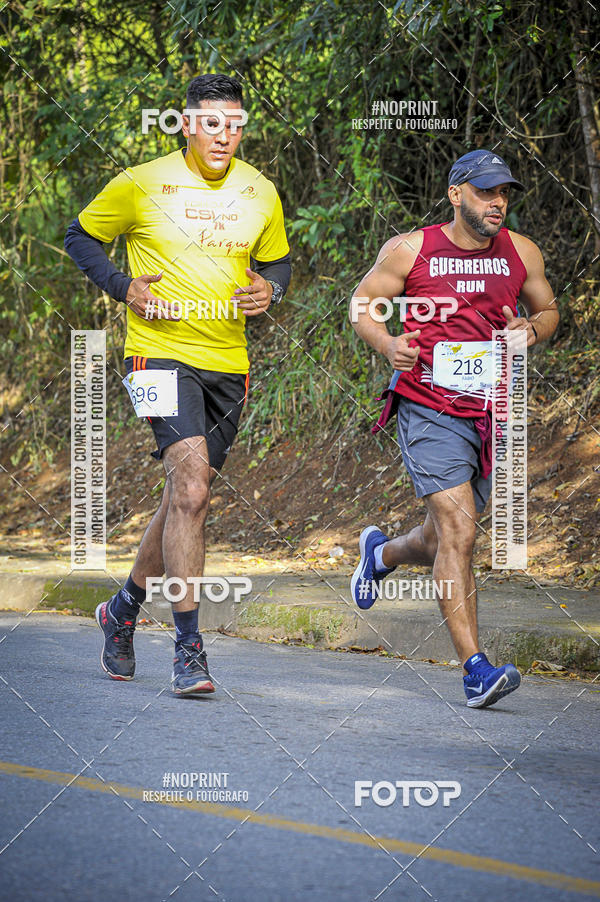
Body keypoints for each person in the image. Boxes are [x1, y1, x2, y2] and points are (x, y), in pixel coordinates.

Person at [65, 73, 291, 696]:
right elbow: (80, 235)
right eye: (213, 123)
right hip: (156, 356)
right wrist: (123, 286)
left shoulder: (260, 191)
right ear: (186, 124)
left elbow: (277, 260)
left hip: (228, 364)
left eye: (236, 124)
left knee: (182, 497)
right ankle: (189, 648)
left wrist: (272, 287)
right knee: (191, 487)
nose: (225, 135)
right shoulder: (142, 182)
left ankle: (122, 609)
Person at [349, 149, 558, 708]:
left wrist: (531, 330)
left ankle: (382, 555)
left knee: (443, 537)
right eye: (487, 192)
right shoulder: (412, 249)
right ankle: (475, 668)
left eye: (504, 193)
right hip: (427, 403)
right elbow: (362, 305)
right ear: (455, 194)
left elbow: (550, 310)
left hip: (495, 411)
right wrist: (389, 342)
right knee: (460, 530)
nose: (498, 203)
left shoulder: (521, 251)